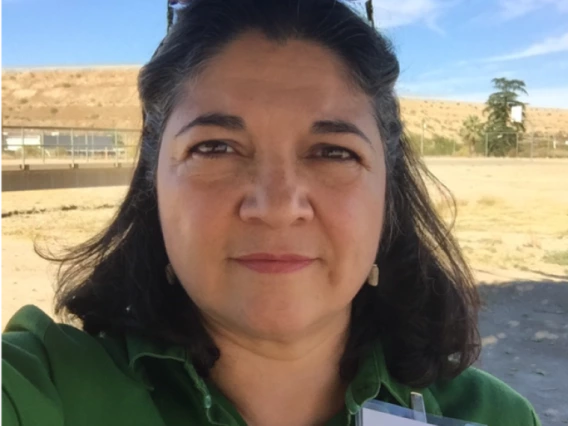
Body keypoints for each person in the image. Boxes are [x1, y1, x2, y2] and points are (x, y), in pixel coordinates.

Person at [0, 1, 541, 425]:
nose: (277, 205)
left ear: (388, 196)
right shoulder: (45, 388)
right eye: (215, 148)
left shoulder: (492, 419)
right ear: (152, 185)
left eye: (333, 152)